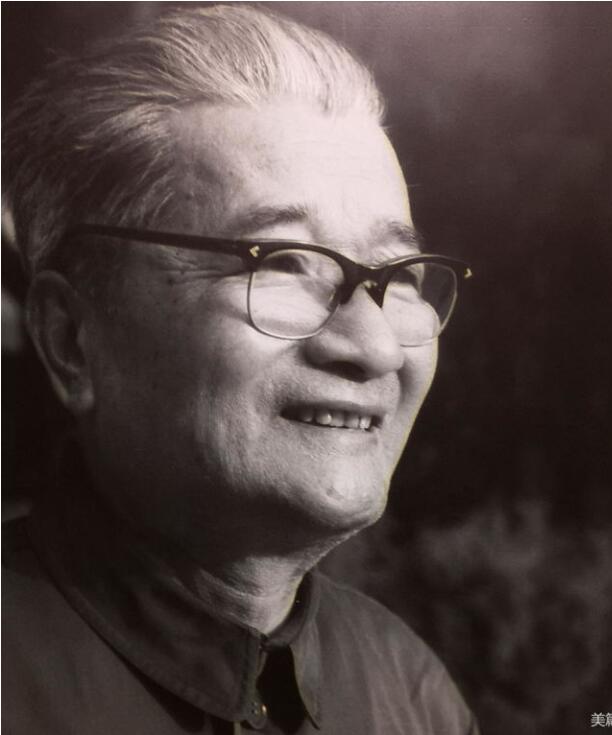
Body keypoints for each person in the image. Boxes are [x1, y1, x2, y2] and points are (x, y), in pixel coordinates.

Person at [2, 5, 477, 734]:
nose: (375, 347)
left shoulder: (411, 696)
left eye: (400, 275)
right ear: (71, 338)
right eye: (281, 262)